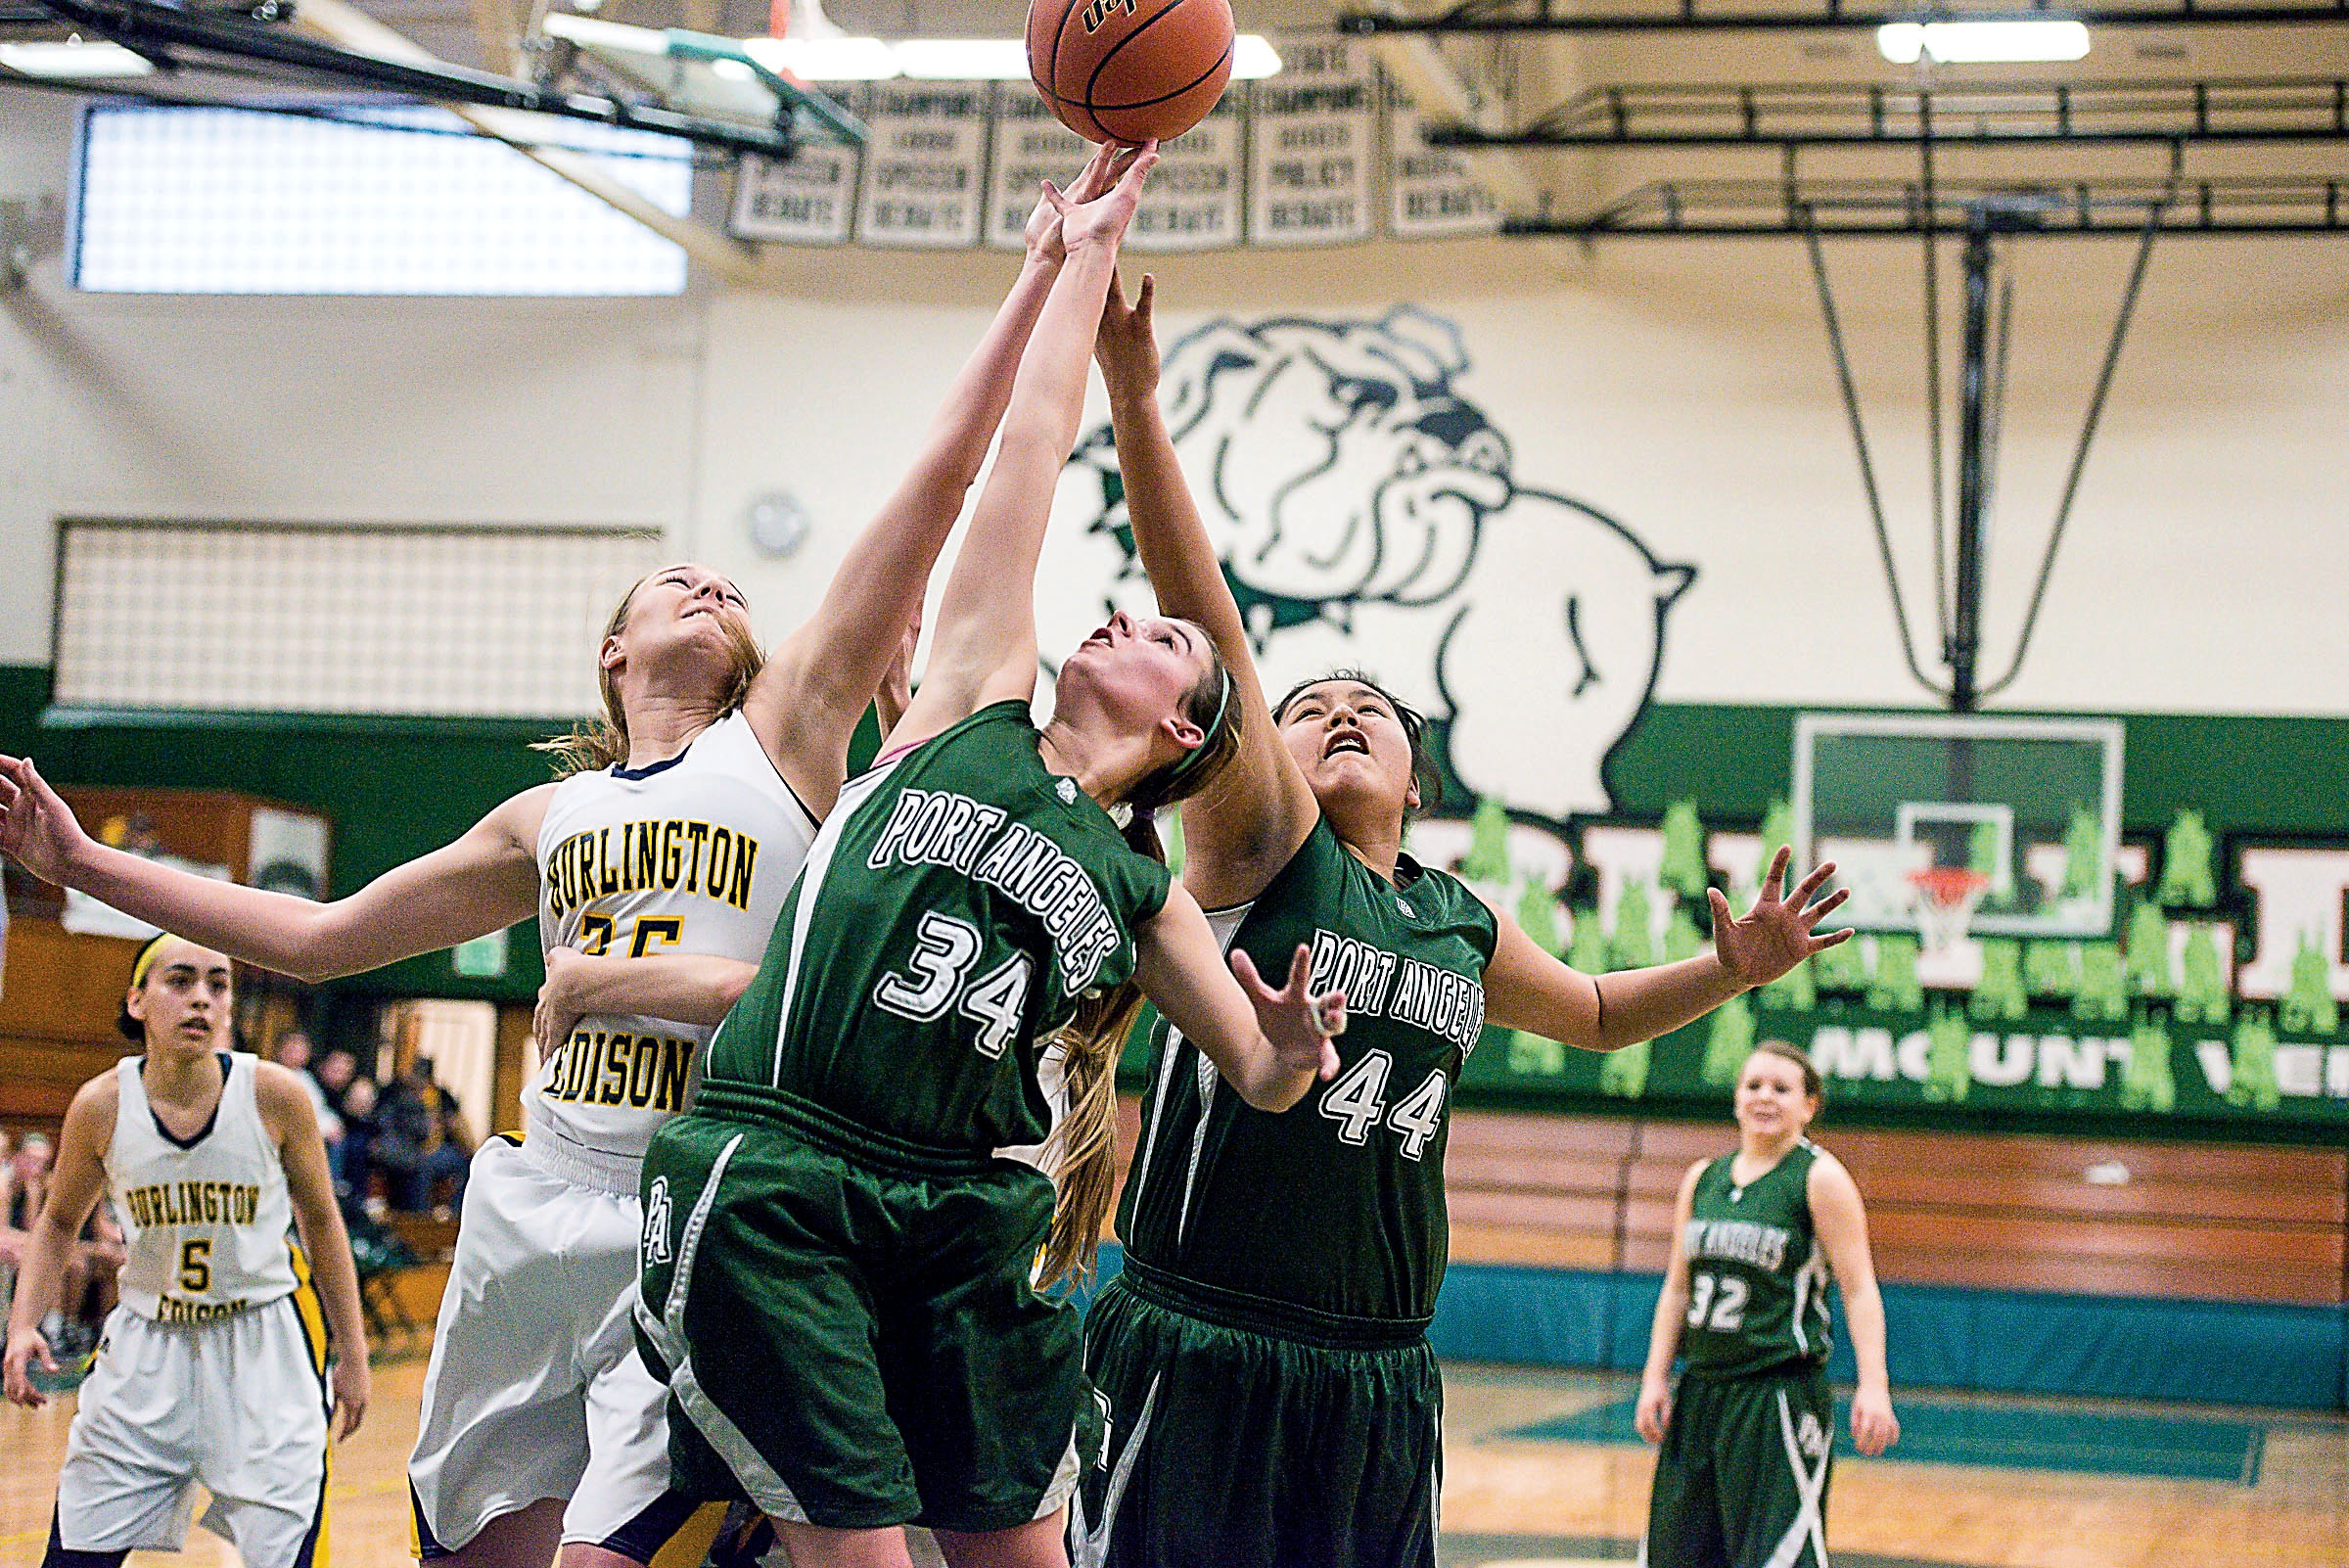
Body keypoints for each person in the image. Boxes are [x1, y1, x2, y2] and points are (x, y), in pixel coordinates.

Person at [0, 146, 1128, 1568]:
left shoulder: (784, 736)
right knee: (473, 1544)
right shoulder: (546, 821)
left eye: (729, 585)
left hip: (716, 1194)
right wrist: (83, 865)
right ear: (614, 651)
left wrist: (1041, 270)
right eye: (678, 581)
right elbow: (315, 936)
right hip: (543, 1200)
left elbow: (940, 482)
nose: (713, 582)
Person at [1070, 272, 1859, 1568]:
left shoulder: (1457, 917)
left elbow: (1601, 1016)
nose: (1330, 713)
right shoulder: (1265, 840)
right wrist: (1137, 400)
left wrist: (1732, 968)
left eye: (1363, 707)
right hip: (1206, 1328)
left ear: (1418, 775)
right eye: (1305, 705)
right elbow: (1204, 616)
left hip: (1378, 1365)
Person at [632, 145, 1347, 1568]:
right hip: (790, 1167)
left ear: (1187, 721)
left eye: (1157, 633)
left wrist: (1293, 1043)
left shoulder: (1143, 885)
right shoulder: (968, 701)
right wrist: (1078, 254)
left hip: (970, 1207)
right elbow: (1026, 446)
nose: (1116, 622)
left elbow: (1261, 1079)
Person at [3, 932, 370, 1568]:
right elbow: (59, 1222)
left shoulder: (275, 1094)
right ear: (138, 1001)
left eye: (217, 983)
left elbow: (322, 1223)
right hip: (147, 1348)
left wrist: (353, 1354)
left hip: (263, 1349)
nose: (201, 998)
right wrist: (22, 1325)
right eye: (181, 981)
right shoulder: (102, 1104)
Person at [1635, 1041, 1900, 1568]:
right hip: (1702, 1389)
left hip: (1777, 1392)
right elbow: (1677, 1289)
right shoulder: (1703, 1177)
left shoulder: (1819, 1178)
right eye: (1753, 1085)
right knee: (1677, 1554)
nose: (1765, 1097)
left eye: (1782, 1088)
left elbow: (1859, 1288)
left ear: (1810, 1106)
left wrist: (1874, 1385)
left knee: (1779, 1556)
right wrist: (1654, 1377)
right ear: (1735, 1098)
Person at [376, 1055, 475, 1214]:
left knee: (468, 1164)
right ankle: (418, 1216)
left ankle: (457, 1213)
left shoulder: (440, 1096)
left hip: (433, 1149)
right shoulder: (395, 1095)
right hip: (403, 1150)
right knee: (421, 1167)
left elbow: (455, 1125)